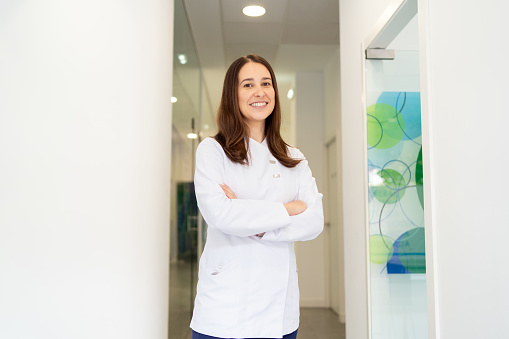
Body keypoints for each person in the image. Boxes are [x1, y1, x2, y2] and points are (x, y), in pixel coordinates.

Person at [190, 54, 324, 339]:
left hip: (279, 312)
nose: (259, 92)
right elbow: (220, 214)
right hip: (225, 311)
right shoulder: (213, 151)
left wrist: (249, 218)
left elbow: (314, 222)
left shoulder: (293, 157)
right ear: (232, 95)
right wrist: (288, 209)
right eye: (248, 85)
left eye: (266, 83)